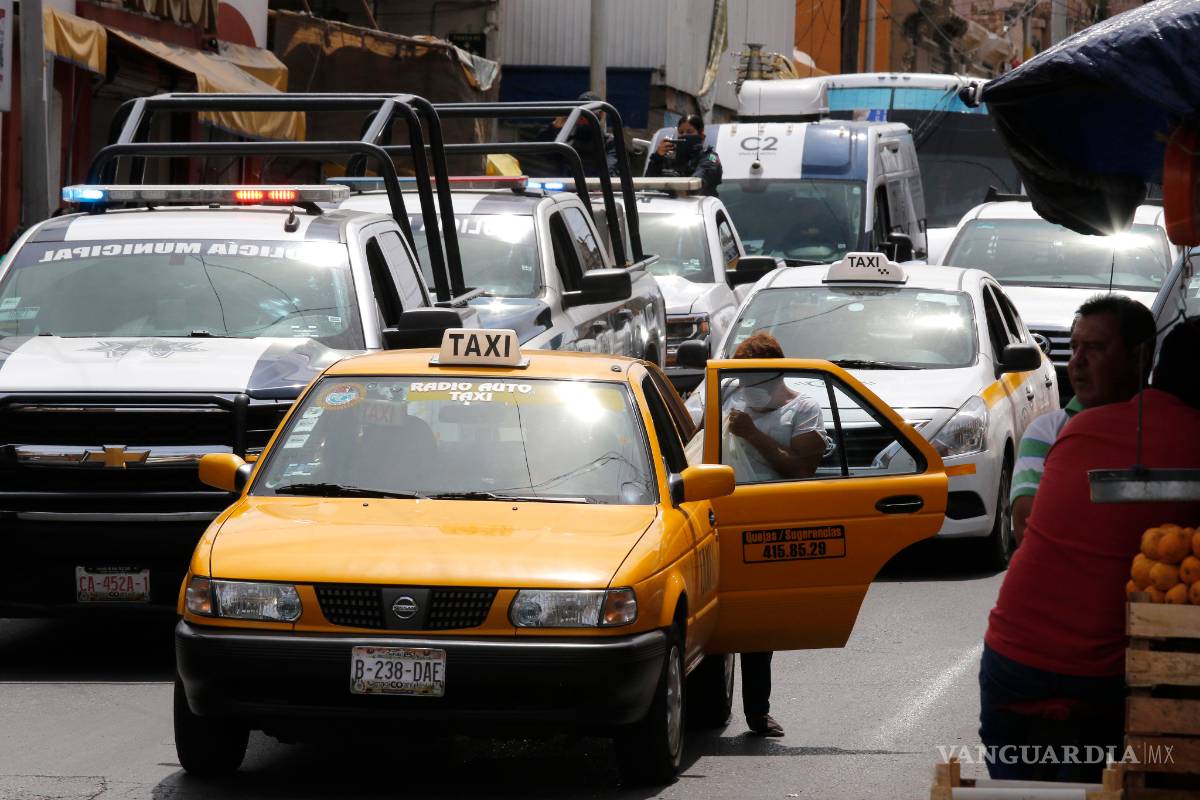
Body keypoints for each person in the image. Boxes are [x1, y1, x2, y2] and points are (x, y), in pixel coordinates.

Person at [978, 317, 1200, 783]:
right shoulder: (1191, 437)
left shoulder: (1083, 427)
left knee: (1019, 789)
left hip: (1010, 660)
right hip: (1100, 676)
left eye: (1093, 348)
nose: (1077, 362)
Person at [722, 332, 829, 737]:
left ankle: (757, 711)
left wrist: (753, 434)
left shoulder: (803, 409)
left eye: (756, 380)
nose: (748, 388)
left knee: (757, 622)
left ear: (776, 375)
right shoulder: (728, 396)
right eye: (743, 379)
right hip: (720, 514)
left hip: (768, 521)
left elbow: (802, 469)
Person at [1010, 295, 1156, 545]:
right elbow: (1027, 524)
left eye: (1095, 348)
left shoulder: (1168, 428)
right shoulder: (1048, 432)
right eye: (1074, 347)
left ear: (1137, 357)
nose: (1077, 361)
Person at [531, 90, 618, 178]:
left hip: (598, 185)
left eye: (589, 114)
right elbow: (540, 152)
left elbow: (610, 170)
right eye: (581, 114)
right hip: (567, 185)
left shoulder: (609, 143)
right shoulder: (564, 140)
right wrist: (554, 128)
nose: (583, 119)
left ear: (601, 115)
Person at [646, 114, 722, 197]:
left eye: (689, 132)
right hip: (670, 204)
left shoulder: (709, 157)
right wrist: (658, 156)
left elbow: (697, 182)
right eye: (681, 132)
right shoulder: (672, 159)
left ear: (701, 136)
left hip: (700, 204)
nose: (684, 135)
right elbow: (648, 181)